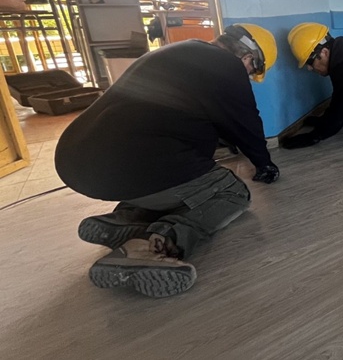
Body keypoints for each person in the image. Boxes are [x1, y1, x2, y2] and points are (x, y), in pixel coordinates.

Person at [55, 24, 280, 298]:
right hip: (130, 166)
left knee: (185, 184)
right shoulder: (227, 65)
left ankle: (127, 218)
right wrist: (265, 164)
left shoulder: (176, 52)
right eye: (252, 71)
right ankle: (149, 245)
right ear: (248, 57)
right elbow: (247, 124)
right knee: (233, 191)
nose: (248, 77)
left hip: (76, 160)